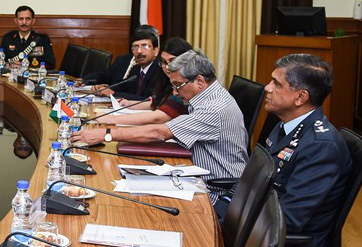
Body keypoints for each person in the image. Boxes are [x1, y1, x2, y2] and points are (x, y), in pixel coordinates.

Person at [73, 49, 248, 213]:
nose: (175, 93)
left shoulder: (213, 109)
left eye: (178, 86)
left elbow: (160, 132)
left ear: (200, 81)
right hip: (201, 177)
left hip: (217, 193)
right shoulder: (209, 97)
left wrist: (106, 134)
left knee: (133, 208)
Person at [261, 54, 352, 247]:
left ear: (301, 97)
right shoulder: (284, 124)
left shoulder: (322, 147)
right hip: (261, 224)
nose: (267, 88)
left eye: (276, 84)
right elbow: (257, 181)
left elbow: (289, 219)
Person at [94, 37, 193, 126]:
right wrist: (128, 103)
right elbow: (158, 103)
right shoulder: (166, 80)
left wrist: (112, 119)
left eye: (172, 61)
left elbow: (158, 118)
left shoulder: (187, 85)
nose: (167, 67)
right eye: (164, 61)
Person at [83, 26, 162, 101]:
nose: (139, 51)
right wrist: (104, 89)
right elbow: (122, 87)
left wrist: (113, 93)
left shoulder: (160, 70)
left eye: (145, 46)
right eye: (135, 47)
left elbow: (148, 99)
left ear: (156, 51)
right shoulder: (136, 68)